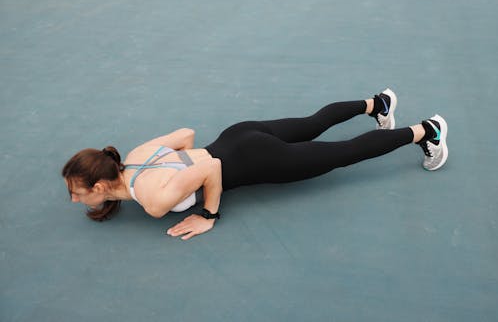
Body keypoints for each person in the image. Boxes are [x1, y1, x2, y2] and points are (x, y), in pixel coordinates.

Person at [62, 89, 448, 240]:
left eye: (76, 194)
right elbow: (186, 135)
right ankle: (378, 104)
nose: (75, 200)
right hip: (238, 135)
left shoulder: (152, 202)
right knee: (313, 122)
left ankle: (426, 132)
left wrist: (208, 212)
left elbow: (212, 169)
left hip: (262, 160)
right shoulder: (134, 156)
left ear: (99, 187)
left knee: (345, 152)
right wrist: (186, 174)